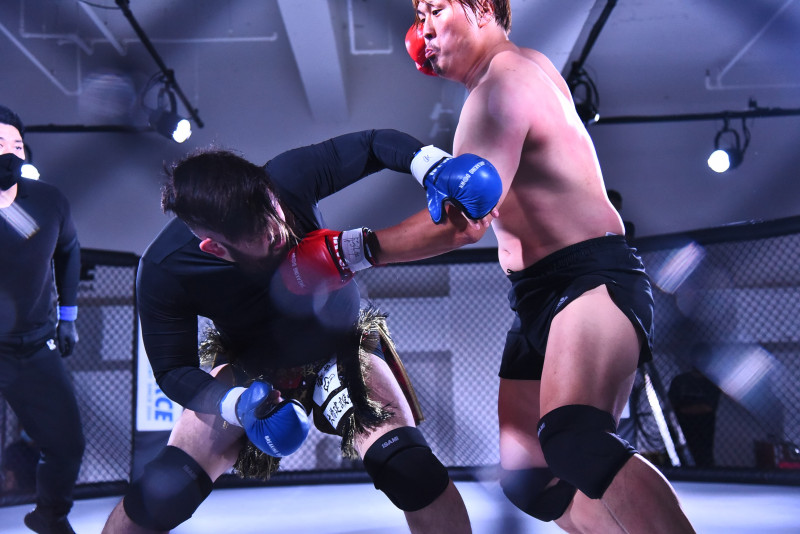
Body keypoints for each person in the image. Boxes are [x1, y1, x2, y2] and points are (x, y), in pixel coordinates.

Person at [351, 2, 697, 532]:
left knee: (575, 439)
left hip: (589, 278)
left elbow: (463, 225)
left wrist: (350, 251)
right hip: (537, 293)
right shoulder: (516, 70)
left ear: (483, 8)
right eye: (418, 16)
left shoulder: (502, 84)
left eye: (436, 9)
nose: (423, 30)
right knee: (532, 479)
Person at [100, 129, 497, 533]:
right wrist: (237, 404)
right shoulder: (167, 270)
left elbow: (374, 144)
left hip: (341, 347)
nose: (278, 229)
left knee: (411, 470)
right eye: (260, 234)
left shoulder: (288, 178)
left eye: (274, 211)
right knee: (166, 490)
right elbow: (173, 371)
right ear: (215, 248)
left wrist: (432, 165)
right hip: (251, 368)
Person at [0, 105, 85, 534]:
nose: (9, 153)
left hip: (32, 346)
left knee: (67, 444)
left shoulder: (48, 202)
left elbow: (68, 249)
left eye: (17, 145)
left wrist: (68, 317)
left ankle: (49, 517)